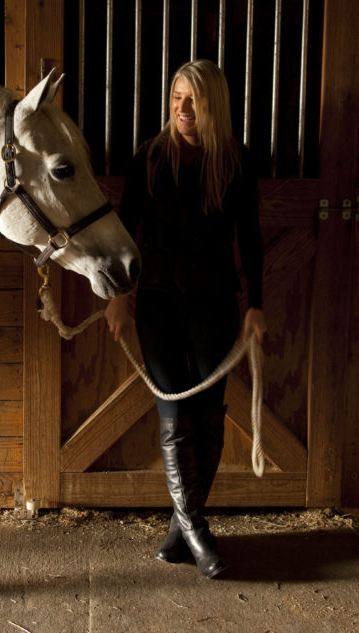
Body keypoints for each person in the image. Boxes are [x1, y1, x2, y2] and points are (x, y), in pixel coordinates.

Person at [104, 59, 266, 579]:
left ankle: (180, 531)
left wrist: (256, 304)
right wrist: (116, 297)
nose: (182, 108)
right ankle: (197, 533)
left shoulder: (235, 162)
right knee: (173, 413)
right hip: (156, 304)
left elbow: (251, 238)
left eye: (192, 99)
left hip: (214, 304)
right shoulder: (148, 159)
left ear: (212, 103)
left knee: (208, 418)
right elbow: (124, 231)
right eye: (176, 96)